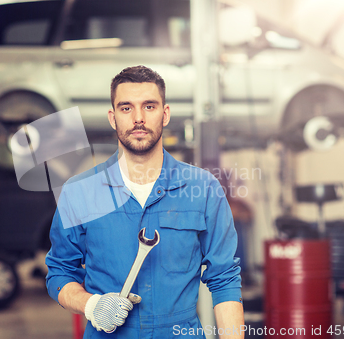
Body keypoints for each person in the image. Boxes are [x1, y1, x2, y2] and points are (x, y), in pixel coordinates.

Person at [46, 65, 244, 338]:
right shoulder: (80, 192)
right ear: (112, 117)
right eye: (126, 108)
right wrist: (91, 305)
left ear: (165, 115)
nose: (138, 118)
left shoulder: (204, 188)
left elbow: (225, 279)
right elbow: (59, 272)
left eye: (149, 107)